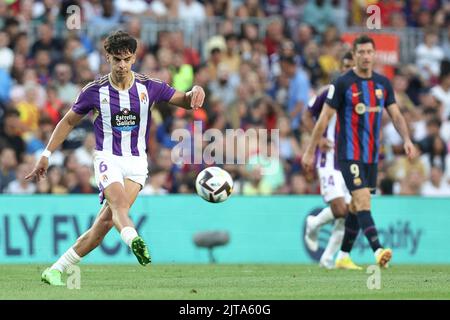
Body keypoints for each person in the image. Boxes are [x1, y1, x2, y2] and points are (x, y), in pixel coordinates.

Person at [25, 31, 205, 286]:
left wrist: (195, 91)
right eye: (116, 59)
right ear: (107, 57)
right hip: (107, 157)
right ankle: (134, 240)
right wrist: (46, 154)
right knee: (119, 207)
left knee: (106, 223)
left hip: (137, 163)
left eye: (127, 59)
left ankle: (56, 269)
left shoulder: (148, 87)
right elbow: (67, 122)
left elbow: (185, 102)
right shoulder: (94, 91)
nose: (122, 65)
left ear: (134, 58)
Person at [302, 35, 417, 270]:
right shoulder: (342, 83)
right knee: (361, 200)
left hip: (371, 155)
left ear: (374, 55)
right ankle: (379, 250)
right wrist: (310, 149)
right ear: (354, 55)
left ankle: (343, 255)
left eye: (369, 52)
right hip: (346, 153)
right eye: (361, 52)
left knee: (354, 206)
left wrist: (406, 139)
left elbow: (395, 114)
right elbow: (322, 118)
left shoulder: (383, 84)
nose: (365, 56)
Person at [302, 51, 354, 269]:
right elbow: (306, 116)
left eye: (353, 66)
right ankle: (313, 223)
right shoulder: (328, 92)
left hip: (351, 160)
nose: (349, 70)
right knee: (341, 209)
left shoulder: (362, 95)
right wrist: (320, 140)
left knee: (350, 213)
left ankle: (327, 258)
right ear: (340, 68)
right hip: (329, 159)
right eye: (346, 66)